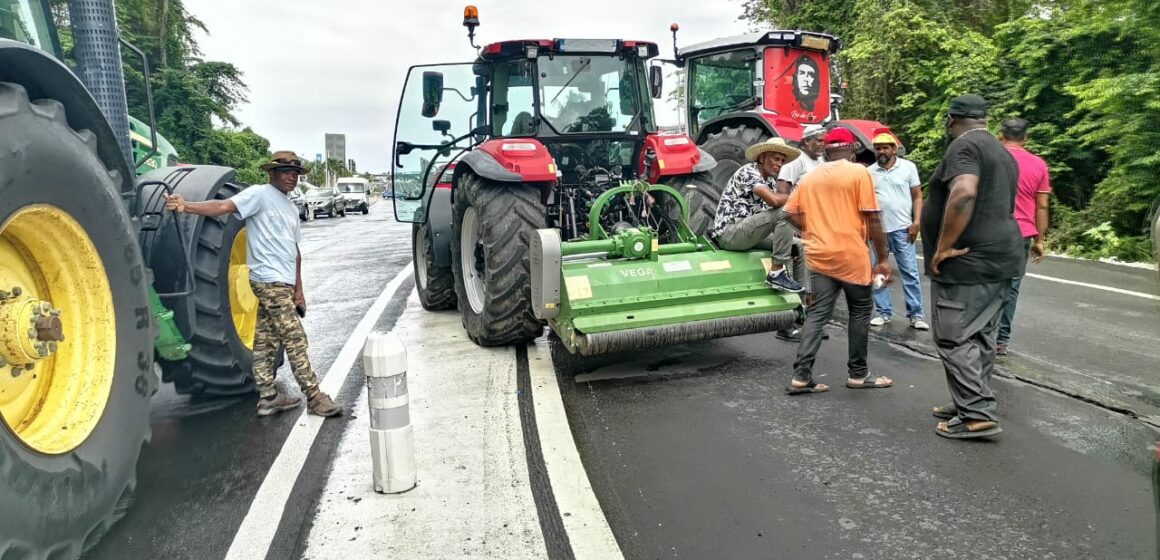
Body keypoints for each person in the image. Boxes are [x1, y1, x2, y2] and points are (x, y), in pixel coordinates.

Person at [165, 151, 343, 418]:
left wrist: (299, 290)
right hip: (268, 281)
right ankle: (315, 397)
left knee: (264, 341)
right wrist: (187, 206)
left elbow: (295, 251)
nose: (291, 177)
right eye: (285, 172)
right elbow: (222, 207)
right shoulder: (259, 194)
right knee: (295, 339)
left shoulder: (291, 208)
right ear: (271, 173)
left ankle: (268, 398)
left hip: (283, 284)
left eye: (295, 173)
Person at [922, 95, 1024, 439]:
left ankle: (977, 413)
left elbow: (964, 192)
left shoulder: (962, 148)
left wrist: (944, 245)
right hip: (1003, 257)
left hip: (968, 260)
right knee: (981, 334)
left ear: (951, 121)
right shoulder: (1002, 152)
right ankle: (967, 399)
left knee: (953, 335)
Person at [783, 127, 894, 395]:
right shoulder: (859, 173)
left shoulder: (810, 177)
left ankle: (801, 376)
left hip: (819, 255)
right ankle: (858, 374)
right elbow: (873, 218)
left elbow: (788, 213)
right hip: (851, 255)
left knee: (818, 313)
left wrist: (814, 228)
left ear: (827, 150)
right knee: (859, 311)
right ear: (853, 148)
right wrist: (882, 259)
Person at [708, 138, 804, 293]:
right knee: (785, 211)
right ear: (762, 158)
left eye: (782, 160)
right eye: (775, 158)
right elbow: (774, 201)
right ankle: (776, 273)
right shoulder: (748, 171)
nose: (779, 164)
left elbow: (773, 218)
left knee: (800, 245)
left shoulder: (770, 183)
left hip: (750, 233)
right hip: (730, 234)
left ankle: (804, 297)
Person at [997, 118, 1051, 356]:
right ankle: (1001, 340)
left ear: (1001, 136)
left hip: (989, 231)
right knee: (1011, 287)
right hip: (1021, 234)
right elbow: (1042, 206)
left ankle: (980, 334)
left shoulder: (990, 160)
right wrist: (1039, 240)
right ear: (1025, 138)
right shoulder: (1039, 165)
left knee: (984, 284)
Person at [867, 133, 929, 330]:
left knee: (910, 271)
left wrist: (917, 221)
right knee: (878, 270)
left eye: (885, 148)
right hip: (878, 231)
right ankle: (882, 312)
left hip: (903, 228)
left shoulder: (908, 167)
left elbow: (918, 196)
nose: (881, 151)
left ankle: (916, 314)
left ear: (894, 149)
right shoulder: (869, 172)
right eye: (878, 148)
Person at [774, 124, 827, 342]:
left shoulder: (821, 162)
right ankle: (788, 322)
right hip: (798, 225)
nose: (822, 144)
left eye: (824, 140)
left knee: (816, 277)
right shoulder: (795, 161)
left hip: (817, 224)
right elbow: (782, 192)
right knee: (797, 271)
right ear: (806, 141)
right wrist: (797, 225)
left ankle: (809, 321)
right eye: (818, 140)